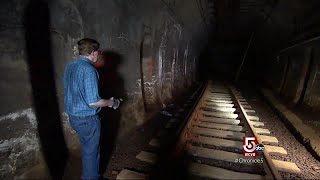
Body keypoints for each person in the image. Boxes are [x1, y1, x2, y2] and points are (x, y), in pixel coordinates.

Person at [63, 38, 120, 179]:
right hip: (87, 119)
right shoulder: (89, 70)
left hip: (73, 116)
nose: (98, 55)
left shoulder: (70, 66)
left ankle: (92, 175)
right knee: (91, 152)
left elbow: (71, 88)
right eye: (98, 52)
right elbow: (94, 102)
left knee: (88, 149)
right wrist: (112, 103)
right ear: (93, 52)